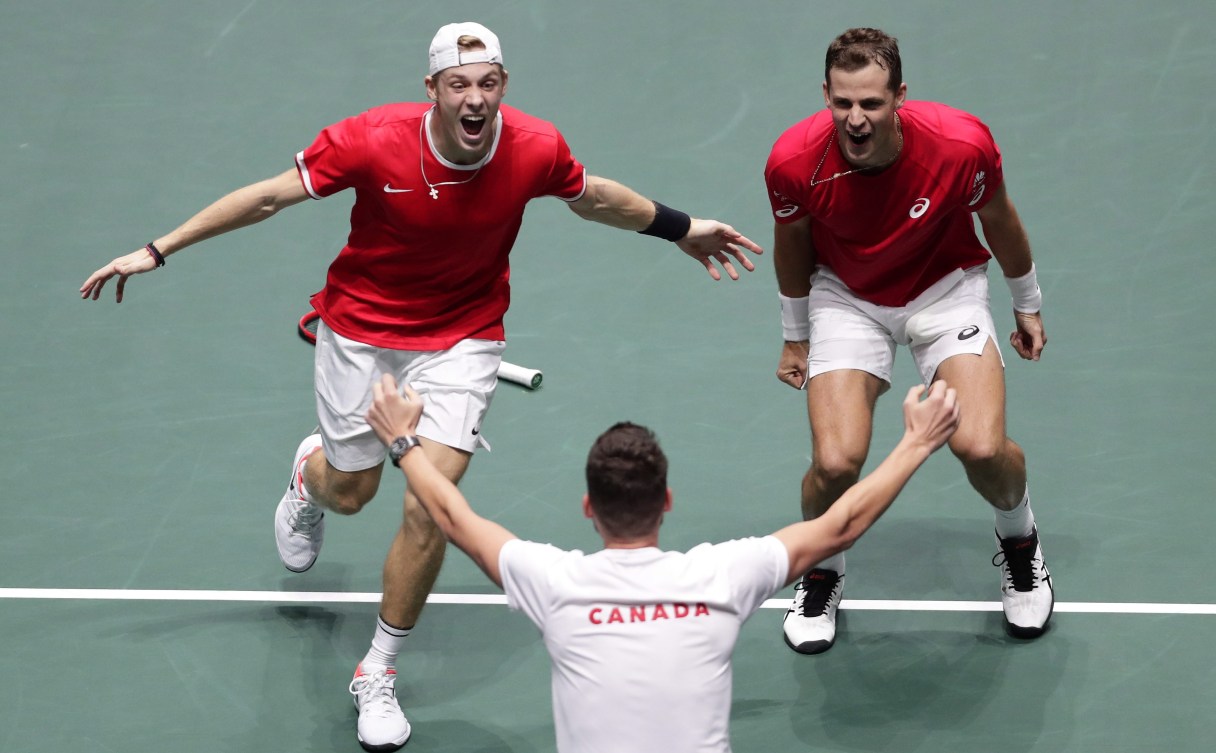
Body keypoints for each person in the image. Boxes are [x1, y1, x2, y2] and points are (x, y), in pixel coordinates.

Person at [79, 22, 763, 752]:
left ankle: (377, 666)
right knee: (352, 492)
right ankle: (311, 480)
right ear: (431, 88)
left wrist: (680, 227)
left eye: (489, 83)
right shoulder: (371, 140)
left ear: (504, 85)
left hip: (465, 337)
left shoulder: (533, 145)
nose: (476, 100)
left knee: (432, 502)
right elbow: (270, 198)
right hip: (362, 333)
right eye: (460, 85)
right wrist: (159, 249)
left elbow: (594, 198)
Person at [365, 373, 960, 753]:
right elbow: (841, 526)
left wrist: (402, 441)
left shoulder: (554, 582)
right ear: (667, 502)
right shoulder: (724, 576)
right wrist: (916, 442)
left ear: (588, 509)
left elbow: (451, 517)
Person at [764, 27, 1053, 656]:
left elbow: (998, 220)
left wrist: (1026, 303)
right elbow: (792, 245)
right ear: (826, 95)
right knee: (836, 462)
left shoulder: (959, 146)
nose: (856, 120)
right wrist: (795, 335)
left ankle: (1020, 539)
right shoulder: (793, 162)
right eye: (842, 104)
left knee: (979, 446)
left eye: (871, 103)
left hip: (944, 288)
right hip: (846, 297)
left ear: (900, 96)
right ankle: (823, 566)